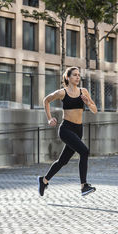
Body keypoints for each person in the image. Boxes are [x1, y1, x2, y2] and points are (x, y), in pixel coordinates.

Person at [38, 67, 98, 197]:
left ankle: (44, 180)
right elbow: (46, 100)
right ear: (68, 77)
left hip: (78, 130)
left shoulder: (84, 92)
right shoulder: (62, 92)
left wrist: (88, 103)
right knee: (84, 151)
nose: (78, 77)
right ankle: (84, 186)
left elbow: (95, 110)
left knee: (63, 161)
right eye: (75, 75)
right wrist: (49, 119)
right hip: (66, 129)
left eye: (78, 75)